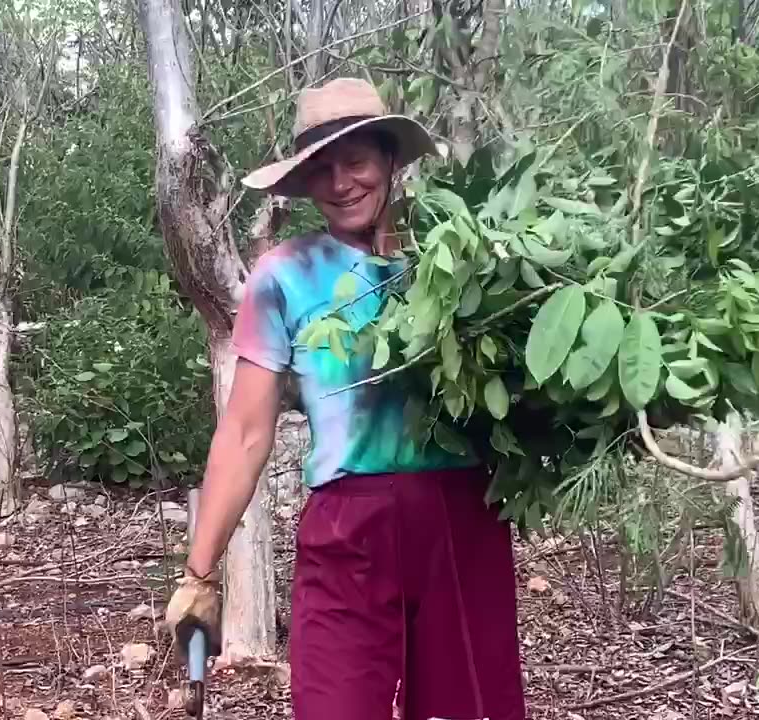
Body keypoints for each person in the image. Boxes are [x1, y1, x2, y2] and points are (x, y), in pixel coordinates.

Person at [164, 77, 527, 720]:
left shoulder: (465, 257)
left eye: (355, 161)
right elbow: (246, 431)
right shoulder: (285, 276)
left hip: (461, 523)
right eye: (322, 170)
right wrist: (200, 574)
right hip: (347, 532)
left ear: (391, 159)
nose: (341, 183)